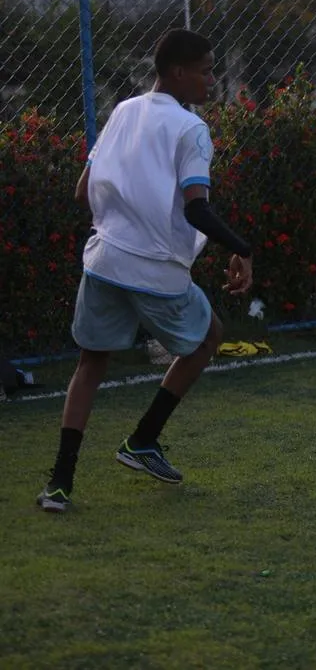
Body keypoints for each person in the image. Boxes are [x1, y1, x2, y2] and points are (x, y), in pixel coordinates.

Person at [36, 29, 255, 514]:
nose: (212, 80)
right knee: (207, 338)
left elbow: (82, 192)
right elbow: (197, 210)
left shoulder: (122, 111)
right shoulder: (191, 128)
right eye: (205, 70)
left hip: (104, 259)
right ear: (178, 71)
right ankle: (142, 441)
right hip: (155, 268)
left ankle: (59, 485)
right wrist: (243, 248)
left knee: (90, 365)